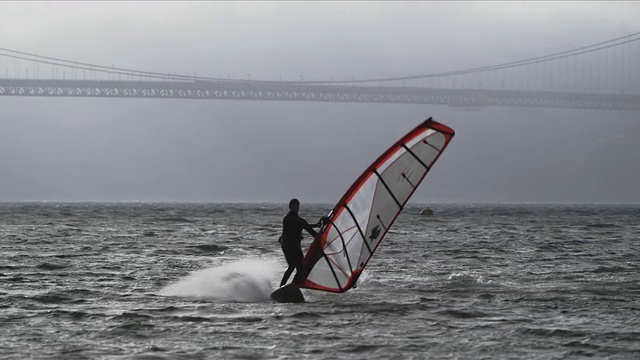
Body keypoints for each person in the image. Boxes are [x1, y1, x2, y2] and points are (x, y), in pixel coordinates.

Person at [279, 198, 324, 287]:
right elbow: (300, 224)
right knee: (292, 266)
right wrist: (317, 225)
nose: (296, 207)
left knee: (302, 269)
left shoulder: (301, 220)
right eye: (294, 205)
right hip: (287, 246)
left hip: (296, 247)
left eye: (297, 205)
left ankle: (294, 285)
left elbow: (312, 233)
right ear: (290, 207)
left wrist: (323, 233)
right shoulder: (287, 218)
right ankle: (281, 286)